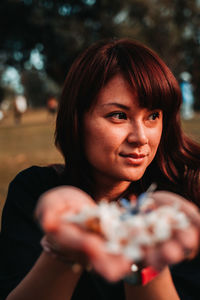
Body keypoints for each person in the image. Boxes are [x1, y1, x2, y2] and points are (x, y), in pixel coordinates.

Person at [0, 38, 200, 300]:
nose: (141, 137)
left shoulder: (179, 203)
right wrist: (64, 249)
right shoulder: (35, 194)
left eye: (152, 116)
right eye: (119, 115)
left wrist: (145, 258)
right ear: (77, 119)